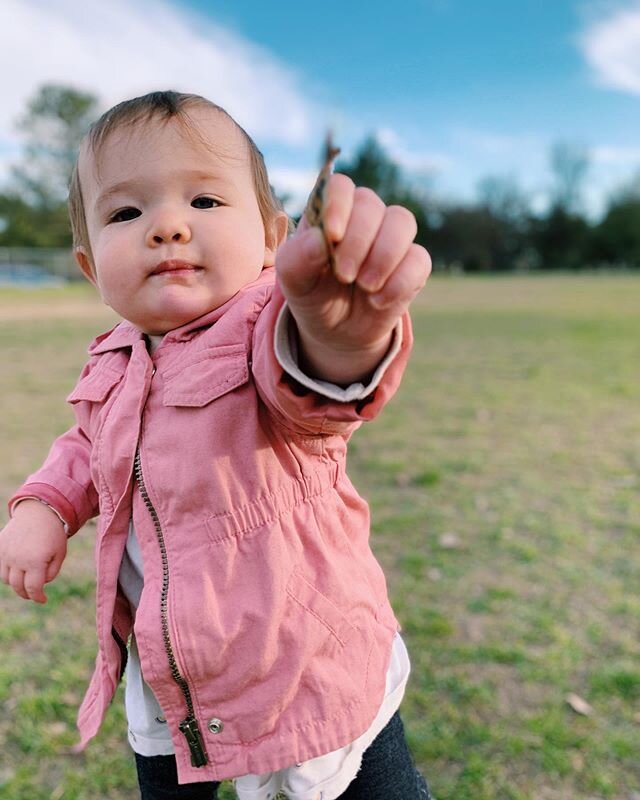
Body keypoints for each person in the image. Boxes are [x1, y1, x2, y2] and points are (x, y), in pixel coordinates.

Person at [0, 90, 432, 800]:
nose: (167, 226)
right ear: (89, 267)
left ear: (271, 237)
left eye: (203, 201)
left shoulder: (268, 324)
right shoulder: (115, 354)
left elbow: (313, 387)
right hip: (173, 670)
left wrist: (338, 333)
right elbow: (87, 443)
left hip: (304, 666)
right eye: (126, 212)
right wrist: (43, 505)